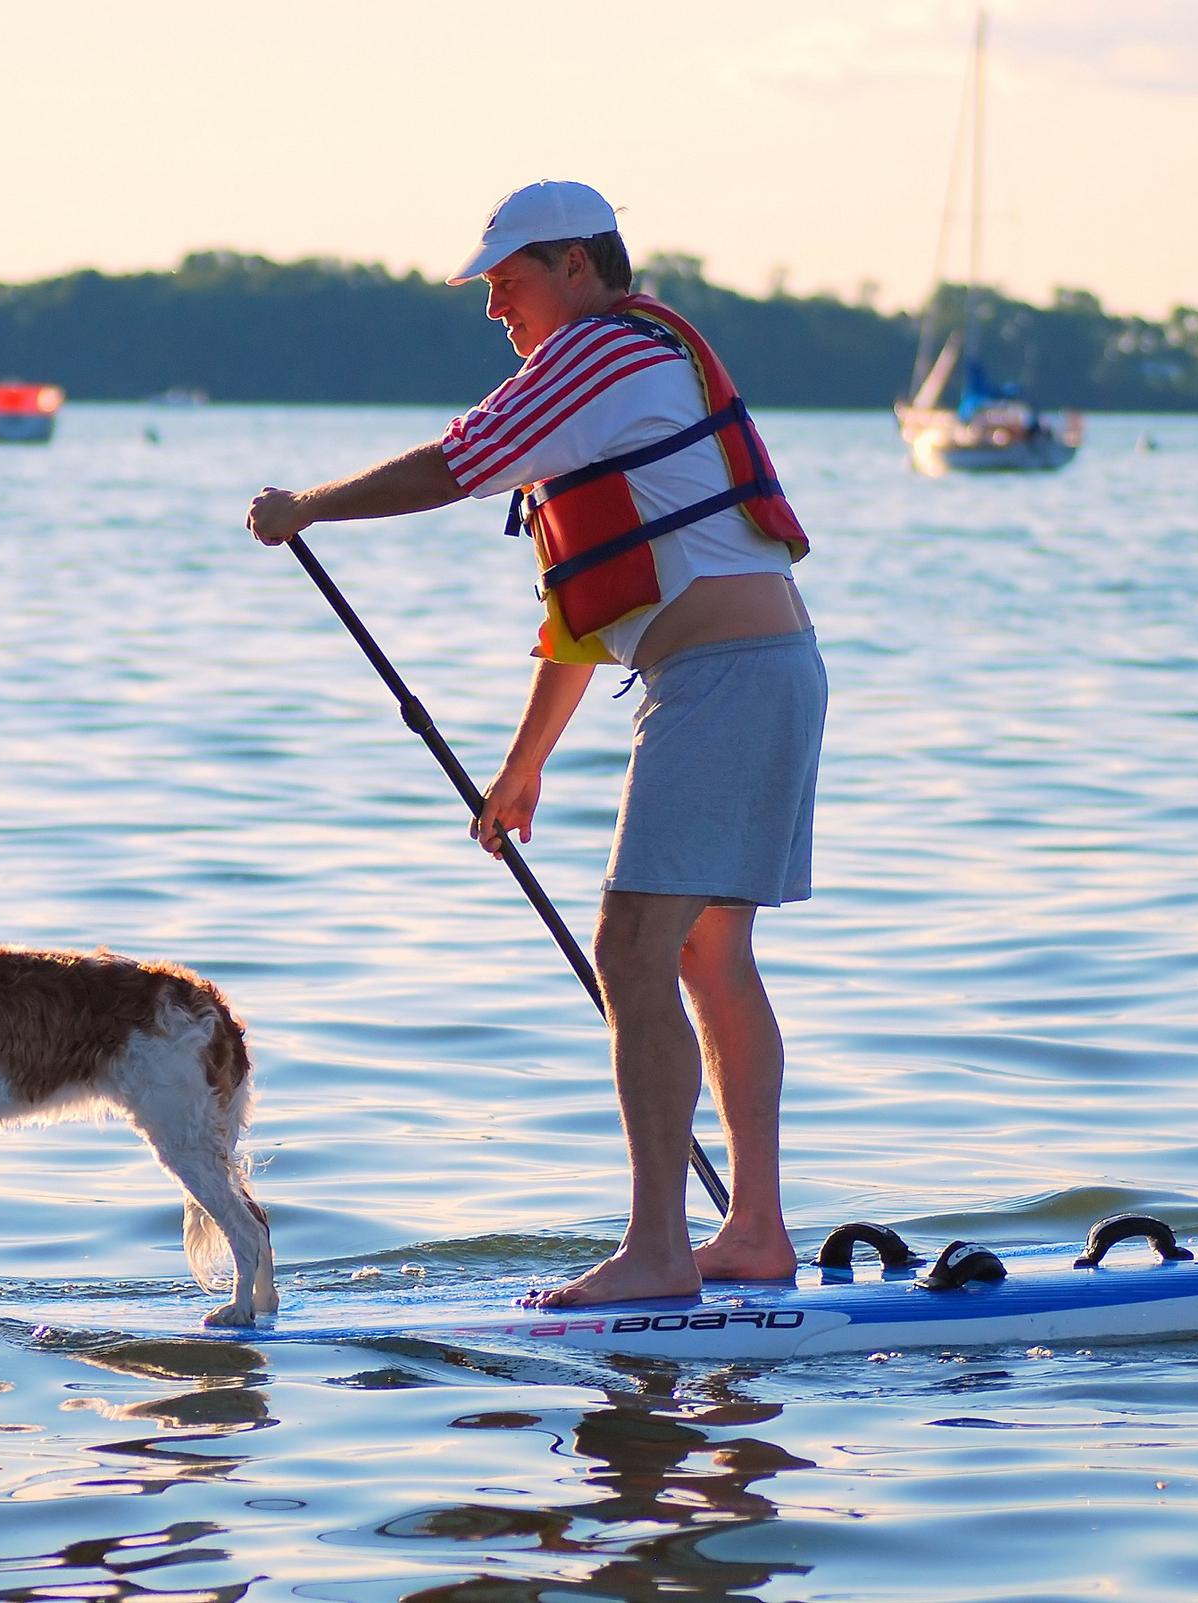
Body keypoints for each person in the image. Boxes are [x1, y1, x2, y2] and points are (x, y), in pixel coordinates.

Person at [245, 180, 827, 1309]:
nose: (493, 309)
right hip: (752, 674)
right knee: (705, 953)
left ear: (574, 264)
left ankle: (662, 1247)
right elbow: (586, 610)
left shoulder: (600, 352)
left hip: (725, 684)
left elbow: (452, 463)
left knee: (633, 951)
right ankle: (752, 1231)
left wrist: (307, 507)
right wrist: (527, 767)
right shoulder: (611, 376)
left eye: (506, 283)